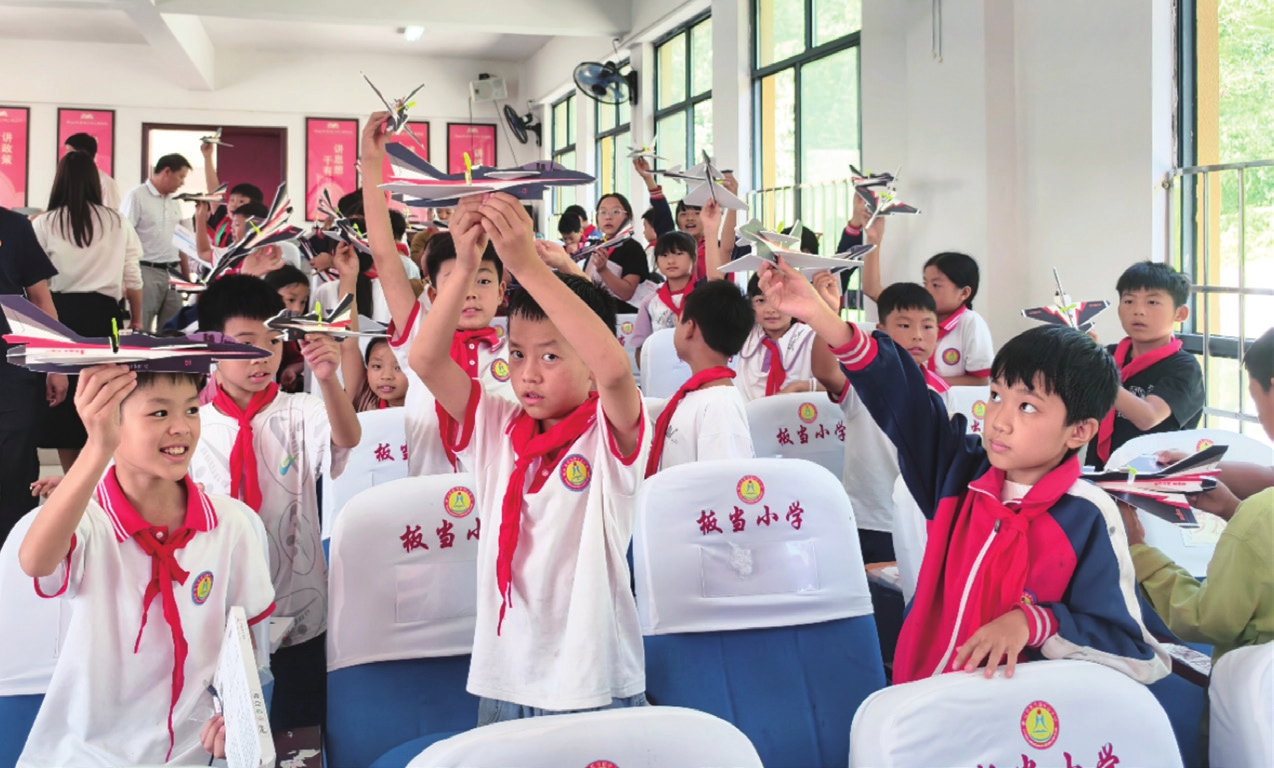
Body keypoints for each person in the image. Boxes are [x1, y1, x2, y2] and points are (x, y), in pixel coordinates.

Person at [757, 257, 1169, 684]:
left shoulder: (1087, 514)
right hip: (930, 692)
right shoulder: (957, 473)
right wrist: (820, 315)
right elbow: (901, 394)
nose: (999, 420)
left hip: (1024, 715)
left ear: (1079, 431)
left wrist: (1034, 622)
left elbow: (1135, 653)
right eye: (996, 396)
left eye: (1028, 407)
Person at [410, 192, 650, 723]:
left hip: (592, 677)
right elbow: (425, 360)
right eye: (517, 353)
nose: (528, 374)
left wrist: (526, 266)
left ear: (588, 365)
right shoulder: (497, 425)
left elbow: (614, 370)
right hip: (507, 673)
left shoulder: (609, 434)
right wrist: (465, 265)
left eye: (551, 356)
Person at [16, 367, 274, 767]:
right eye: (159, 413)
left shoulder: (231, 524)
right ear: (110, 420)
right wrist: (97, 447)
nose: (181, 427)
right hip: (90, 754)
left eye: (191, 409)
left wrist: (235, 719)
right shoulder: (89, 521)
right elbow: (36, 561)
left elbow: (246, 648)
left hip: (195, 749)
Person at [187, 274, 360, 731]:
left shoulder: (299, 411)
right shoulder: (194, 426)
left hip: (298, 598)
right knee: (226, 725)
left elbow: (347, 436)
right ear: (211, 347)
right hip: (219, 605)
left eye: (273, 341)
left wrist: (328, 381)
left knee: (299, 725)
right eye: (246, 343)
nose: (262, 355)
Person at [358, 111, 512, 474]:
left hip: (495, 497)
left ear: (502, 291)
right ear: (433, 293)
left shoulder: (519, 352)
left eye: (483, 281)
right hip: (427, 499)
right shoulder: (420, 336)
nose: (470, 293)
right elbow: (385, 256)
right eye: (458, 279)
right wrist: (372, 164)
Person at [1119, 325, 1273, 665]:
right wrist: (1232, 508)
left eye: (1255, 399)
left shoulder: (1261, 516)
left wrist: (1138, 548)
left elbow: (1204, 620)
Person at [812, 281, 949, 563]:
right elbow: (825, 372)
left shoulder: (942, 392)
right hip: (869, 519)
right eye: (904, 325)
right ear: (881, 331)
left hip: (920, 519)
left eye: (927, 326)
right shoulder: (864, 382)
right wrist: (826, 313)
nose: (917, 336)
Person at [33, 151, 144, 471]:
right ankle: (101, 476)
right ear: (95, 182)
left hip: (59, 315)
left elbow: (34, 283)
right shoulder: (117, 221)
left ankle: (72, 477)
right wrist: (137, 319)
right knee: (105, 392)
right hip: (105, 316)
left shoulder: (45, 223)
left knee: (64, 400)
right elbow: (133, 278)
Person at [1086, 261, 1203, 470]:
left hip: (1155, 479)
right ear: (1119, 309)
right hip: (1098, 473)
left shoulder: (1184, 367)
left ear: (1180, 314)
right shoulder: (1109, 355)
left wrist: (1099, 370)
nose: (1138, 311)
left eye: (1152, 302)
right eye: (1129, 301)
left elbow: (1148, 417)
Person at [0, 206, 65, 545]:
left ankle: (15, 556)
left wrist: (55, 363)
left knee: (16, 469)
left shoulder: (14, 227)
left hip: (12, 369)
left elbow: (40, 300)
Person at [646, 279, 755, 474]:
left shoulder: (720, 406)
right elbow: (646, 410)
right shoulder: (695, 395)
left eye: (679, 321)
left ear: (689, 327)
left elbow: (724, 481)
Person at [864, 245, 993, 387]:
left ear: (964, 293)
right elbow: (872, 290)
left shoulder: (971, 322)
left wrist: (923, 382)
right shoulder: (914, 313)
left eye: (936, 285)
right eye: (925, 283)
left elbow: (981, 381)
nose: (927, 290)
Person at [120, 153, 191, 332]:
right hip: (146, 270)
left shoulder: (174, 201)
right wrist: (123, 279)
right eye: (180, 177)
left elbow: (179, 240)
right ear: (167, 171)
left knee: (173, 329)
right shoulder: (136, 196)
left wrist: (187, 277)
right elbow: (123, 238)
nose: (182, 182)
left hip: (173, 272)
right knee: (141, 327)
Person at [734, 273, 823, 401]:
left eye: (781, 298)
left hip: (795, 413)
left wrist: (799, 387)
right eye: (760, 300)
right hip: (747, 413)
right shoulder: (744, 336)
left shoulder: (812, 337)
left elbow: (841, 384)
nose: (771, 309)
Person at [629, 231, 697, 351]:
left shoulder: (704, 297)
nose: (671, 261)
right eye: (664, 255)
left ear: (693, 258)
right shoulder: (650, 302)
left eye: (679, 254)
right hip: (661, 360)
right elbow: (641, 346)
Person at [582, 193, 651, 313]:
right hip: (596, 314)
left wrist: (603, 270)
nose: (608, 217)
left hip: (623, 318)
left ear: (628, 217)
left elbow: (626, 293)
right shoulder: (595, 247)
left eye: (615, 212)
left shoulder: (632, 248)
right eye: (603, 212)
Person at [199, 139, 265, 248]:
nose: (234, 205)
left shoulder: (254, 231)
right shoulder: (224, 219)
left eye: (241, 201)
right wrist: (207, 157)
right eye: (231, 200)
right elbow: (214, 193)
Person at [262, 265, 311, 393]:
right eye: (291, 300)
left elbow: (301, 359)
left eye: (303, 302)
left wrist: (291, 369)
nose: (297, 309)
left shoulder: (291, 332)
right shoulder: (257, 329)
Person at [62, 132, 120, 210]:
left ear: (83, 154)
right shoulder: (68, 179)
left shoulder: (105, 183)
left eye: (68, 151)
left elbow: (111, 214)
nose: (65, 155)